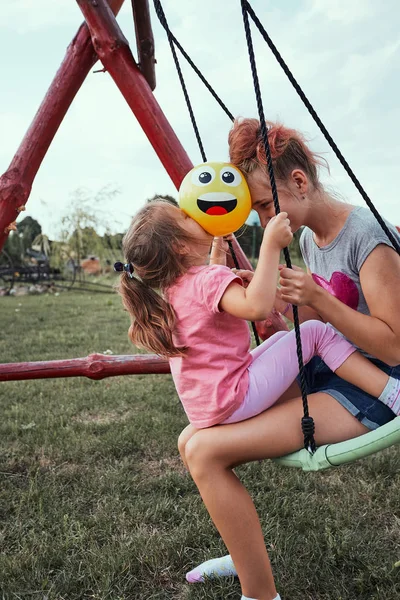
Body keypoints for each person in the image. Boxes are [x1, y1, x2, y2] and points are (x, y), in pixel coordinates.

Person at [115, 198, 400, 600]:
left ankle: (242, 557)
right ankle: (393, 392)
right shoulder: (207, 282)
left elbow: (212, 279)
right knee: (314, 336)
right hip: (236, 394)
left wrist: (217, 248)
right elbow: (256, 306)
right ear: (179, 246)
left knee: (192, 440)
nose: (191, 213)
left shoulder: (175, 287)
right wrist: (268, 246)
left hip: (211, 403)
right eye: (183, 216)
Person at [179, 119, 400, 600]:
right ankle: (245, 559)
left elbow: (393, 345)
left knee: (207, 451)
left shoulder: (368, 238)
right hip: (333, 365)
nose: (259, 218)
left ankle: (260, 593)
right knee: (191, 438)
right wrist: (280, 311)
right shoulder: (306, 239)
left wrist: (319, 305)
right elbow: (325, 321)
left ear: (298, 183)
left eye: (261, 204)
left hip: (378, 384)